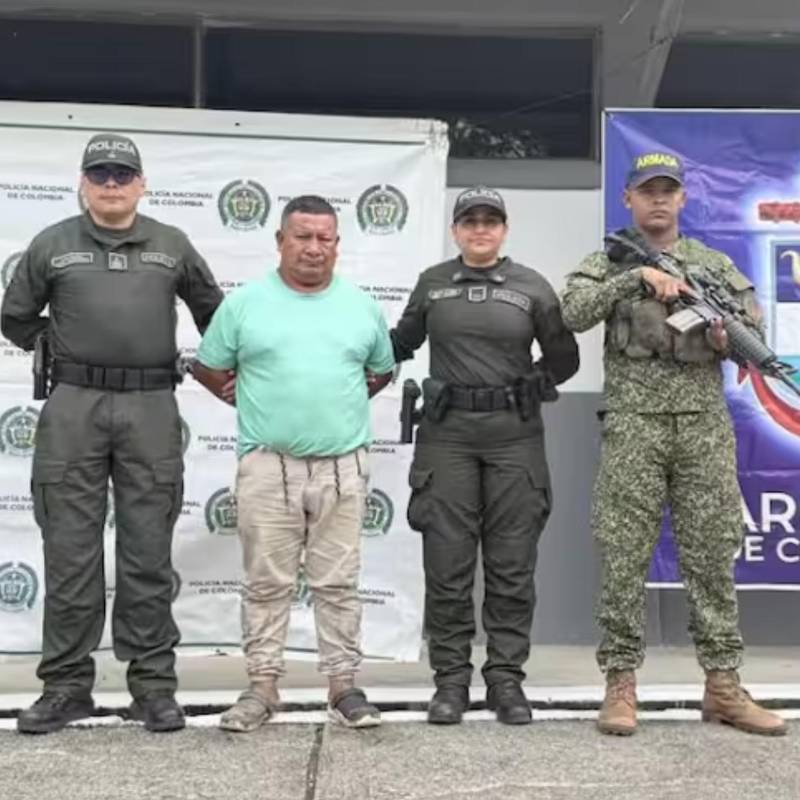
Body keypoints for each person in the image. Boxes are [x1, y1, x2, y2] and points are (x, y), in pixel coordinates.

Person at [2, 132, 224, 734]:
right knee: (70, 554)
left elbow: (216, 314)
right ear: (82, 183)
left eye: (122, 175)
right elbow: (15, 315)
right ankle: (66, 685)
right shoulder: (53, 245)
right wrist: (55, 350)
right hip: (74, 406)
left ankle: (153, 687)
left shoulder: (171, 245)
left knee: (147, 552)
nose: (110, 185)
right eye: (98, 174)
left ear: (141, 184)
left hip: (150, 404)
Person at [560, 152, 787, 737]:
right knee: (623, 554)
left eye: (668, 191)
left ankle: (723, 685)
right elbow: (572, 312)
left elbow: (751, 342)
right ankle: (620, 685)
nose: (658, 199)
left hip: (702, 426)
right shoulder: (607, 259)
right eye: (647, 191)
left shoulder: (711, 266)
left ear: (683, 200)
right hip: (635, 424)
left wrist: (723, 335)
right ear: (628, 200)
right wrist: (636, 278)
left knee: (712, 553)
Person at [192, 194, 394, 731]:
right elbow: (209, 367)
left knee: (338, 583)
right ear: (279, 241)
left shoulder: (362, 307)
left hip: (342, 468)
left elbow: (380, 372)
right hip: (267, 465)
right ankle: (261, 688)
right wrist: (258, 405)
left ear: (337, 244)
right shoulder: (244, 304)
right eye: (301, 236)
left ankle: (343, 687)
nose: (313, 247)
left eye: (324, 237)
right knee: (266, 582)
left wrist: (331, 409)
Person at [391, 186, 579, 725]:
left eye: (490, 221)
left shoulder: (532, 287)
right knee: (447, 564)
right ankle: (450, 682)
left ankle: (505, 681)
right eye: (469, 221)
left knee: (511, 565)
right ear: (455, 230)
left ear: (504, 229)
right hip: (447, 436)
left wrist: (533, 383)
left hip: (513, 437)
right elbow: (400, 342)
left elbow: (563, 355)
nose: (480, 229)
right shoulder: (433, 283)